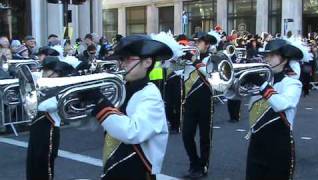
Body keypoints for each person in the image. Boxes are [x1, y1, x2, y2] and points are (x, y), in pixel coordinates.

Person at [79, 34, 171, 180]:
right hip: (113, 165)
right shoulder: (121, 88)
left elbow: (133, 132)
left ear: (147, 62)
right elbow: (97, 125)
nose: (122, 64)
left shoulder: (150, 94)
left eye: (128, 59)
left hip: (137, 170)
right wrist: (84, 101)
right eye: (121, 59)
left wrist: (100, 102)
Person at [245, 39, 303, 180]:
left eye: (272, 55)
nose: (267, 59)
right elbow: (232, 96)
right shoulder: (264, 80)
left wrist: (262, 84)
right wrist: (232, 83)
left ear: (284, 59)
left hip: (279, 146)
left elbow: (281, 104)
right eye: (266, 56)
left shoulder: (293, 84)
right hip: (256, 143)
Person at [26, 56, 76, 180]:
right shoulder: (45, 86)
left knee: (44, 166)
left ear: (56, 73)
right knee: (32, 163)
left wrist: (35, 94)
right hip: (37, 129)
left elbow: (44, 106)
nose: (42, 74)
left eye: (46, 71)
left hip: (49, 129)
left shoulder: (63, 89)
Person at [182, 32, 216, 178]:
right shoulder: (188, 58)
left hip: (205, 101)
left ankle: (203, 166)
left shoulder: (213, 58)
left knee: (204, 137)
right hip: (189, 101)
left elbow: (210, 75)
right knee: (186, 135)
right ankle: (193, 163)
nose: (195, 44)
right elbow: (170, 66)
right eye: (194, 41)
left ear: (207, 44)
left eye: (199, 42)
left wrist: (195, 61)